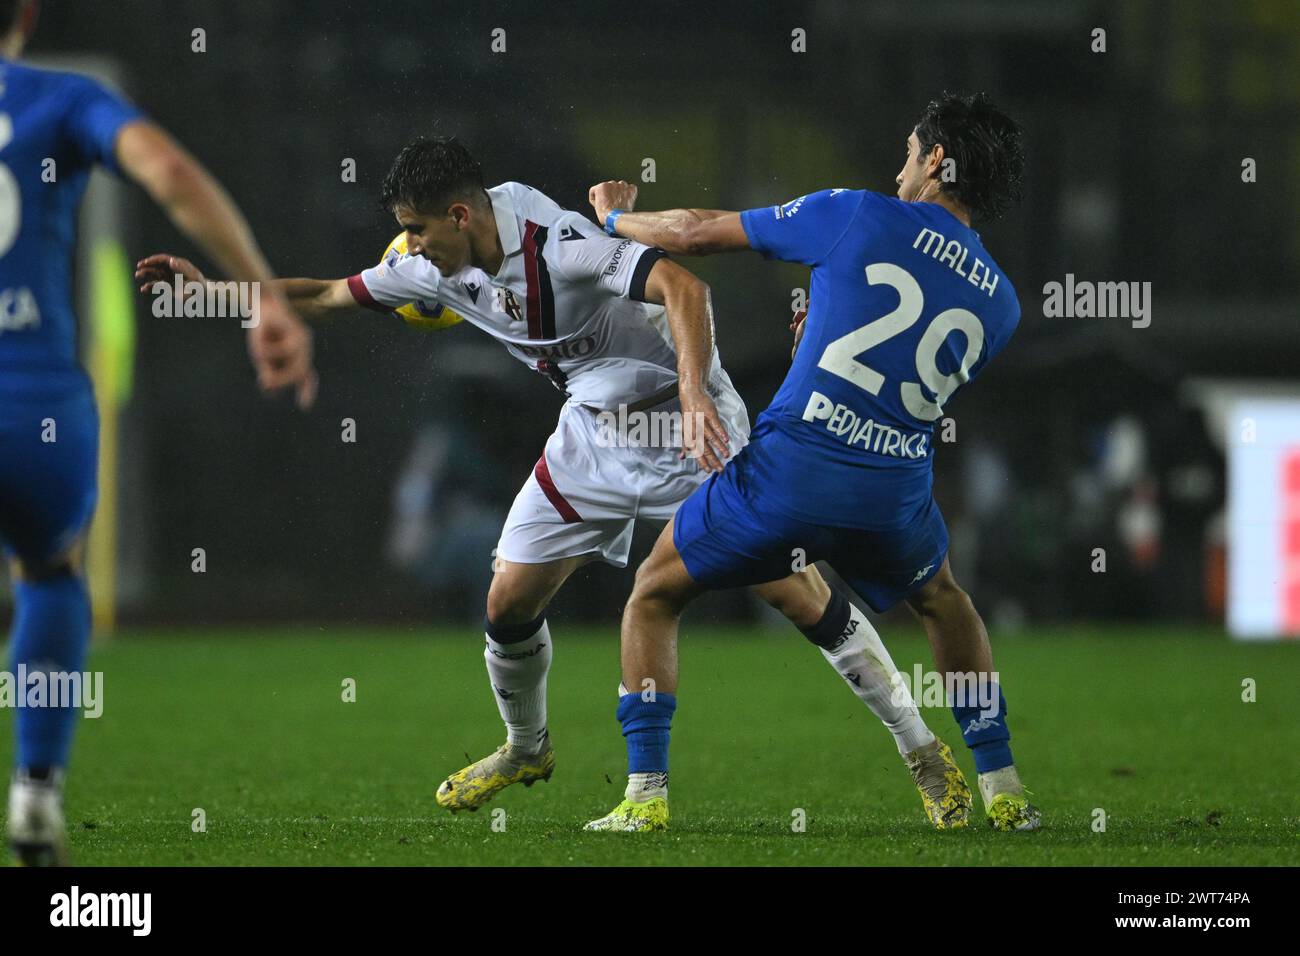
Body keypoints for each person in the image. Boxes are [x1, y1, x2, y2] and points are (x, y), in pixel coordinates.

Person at [136, 135, 972, 830]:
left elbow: (683, 285)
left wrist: (689, 391)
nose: (410, 247)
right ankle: (528, 747)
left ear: (461, 215)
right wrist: (216, 295)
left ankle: (922, 751)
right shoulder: (433, 268)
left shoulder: (560, 244)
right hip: (593, 439)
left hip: (687, 432)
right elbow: (321, 293)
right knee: (506, 602)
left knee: (796, 596)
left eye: (420, 229)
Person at [584, 91, 1040, 832]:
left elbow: (694, 232)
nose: (897, 171)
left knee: (653, 593)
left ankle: (645, 795)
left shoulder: (858, 212)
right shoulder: (1004, 304)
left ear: (934, 159)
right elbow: (893, 383)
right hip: (892, 496)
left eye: (907, 153)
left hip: (791, 475)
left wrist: (612, 218)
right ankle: (1004, 785)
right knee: (944, 599)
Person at [0, 0, 315, 865]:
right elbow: (170, 172)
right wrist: (263, 296)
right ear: (26, 14)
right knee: (53, 575)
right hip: (35, 408)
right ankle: (34, 794)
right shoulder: (62, 101)